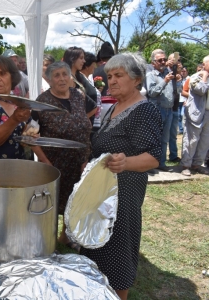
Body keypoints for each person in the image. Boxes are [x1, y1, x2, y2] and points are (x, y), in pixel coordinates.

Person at [80, 53, 162, 300]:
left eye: (118, 76)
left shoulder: (144, 110)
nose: (111, 81)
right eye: (110, 76)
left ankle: (117, 295)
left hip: (124, 192)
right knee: (97, 240)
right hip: (104, 190)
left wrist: (126, 162)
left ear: (137, 79)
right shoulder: (114, 106)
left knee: (118, 246)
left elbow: (154, 157)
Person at [31, 61, 91, 248]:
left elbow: (88, 117)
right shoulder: (41, 102)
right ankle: (48, 239)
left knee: (76, 198)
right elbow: (31, 137)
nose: (62, 78)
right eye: (56, 75)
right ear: (48, 79)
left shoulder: (78, 95)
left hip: (80, 159)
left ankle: (66, 236)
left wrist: (86, 157)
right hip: (55, 162)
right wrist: (45, 161)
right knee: (53, 202)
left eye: (65, 74)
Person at [146, 49, 179, 172]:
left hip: (169, 110)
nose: (163, 62)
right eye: (160, 60)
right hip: (156, 110)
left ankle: (161, 163)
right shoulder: (151, 75)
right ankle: (150, 165)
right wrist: (165, 81)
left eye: (164, 59)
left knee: (164, 139)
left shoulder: (169, 73)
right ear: (153, 62)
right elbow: (152, 92)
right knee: (154, 139)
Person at [180, 55, 209, 176]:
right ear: (204, 64)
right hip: (196, 113)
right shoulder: (195, 77)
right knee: (191, 140)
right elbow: (200, 90)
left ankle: (197, 164)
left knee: (204, 140)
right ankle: (186, 165)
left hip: (208, 113)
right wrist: (205, 77)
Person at [62, 46, 97, 124]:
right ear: (72, 59)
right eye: (81, 58)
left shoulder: (77, 76)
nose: (84, 61)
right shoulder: (69, 79)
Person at [81, 51, 102, 137]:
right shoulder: (81, 80)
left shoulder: (88, 79)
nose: (95, 67)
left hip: (95, 121)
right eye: (93, 64)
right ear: (87, 65)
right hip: (89, 122)